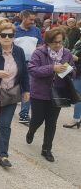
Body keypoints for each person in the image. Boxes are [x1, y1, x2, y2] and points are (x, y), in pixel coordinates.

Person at [0, 22, 30, 168]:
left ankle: (3, 155)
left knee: (5, 125)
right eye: (4, 35)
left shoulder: (20, 52)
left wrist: (26, 90)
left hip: (11, 93)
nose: (7, 38)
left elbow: (25, 73)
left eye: (10, 35)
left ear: (14, 36)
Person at [26, 27, 74, 162]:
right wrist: (52, 68)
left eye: (60, 42)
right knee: (37, 119)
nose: (58, 45)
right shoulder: (39, 52)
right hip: (39, 93)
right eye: (54, 42)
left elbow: (73, 71)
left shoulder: (67, 54)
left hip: (58, 93)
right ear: (47, 42)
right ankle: (31, 131)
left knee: (51, 123)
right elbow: (33, 70)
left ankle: (46, 149)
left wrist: (68, 70)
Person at [15, 10, 44, 124]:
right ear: (23, 18)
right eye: (30, 19)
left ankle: (24, 114)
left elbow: (40, 46)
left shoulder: (36, 31)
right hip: (16, 63)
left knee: (28, 88)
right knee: (12, 87)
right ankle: (7, 109)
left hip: (32, 64)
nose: (33, 22)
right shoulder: (14, 30)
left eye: (34, 20)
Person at [65, 39, 81, 129]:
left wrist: (77, 58)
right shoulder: (78, 42)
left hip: (79, 73)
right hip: (76, 70)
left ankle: (76, 119)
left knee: (77, 96)